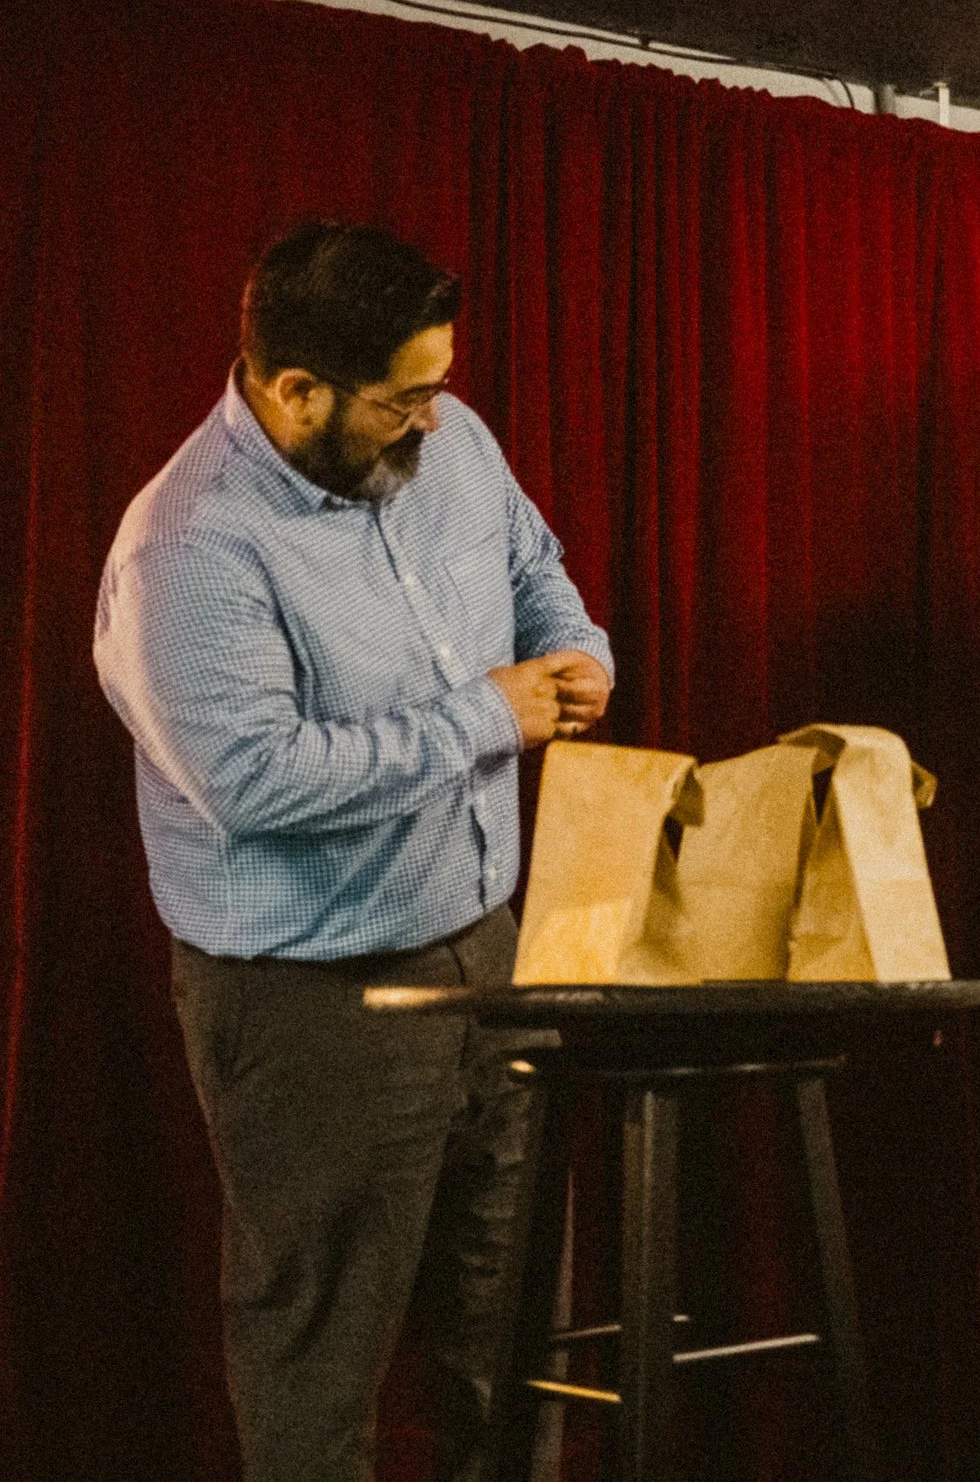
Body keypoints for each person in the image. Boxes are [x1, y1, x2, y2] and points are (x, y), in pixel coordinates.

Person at [93, 222, 615, 1482]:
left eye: (440, 384)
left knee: (507, 1322)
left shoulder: (454, 436)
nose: (435, 417)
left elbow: (531, 564)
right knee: (321, 1353)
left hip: (492, 953)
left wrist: (576, 647)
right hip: (314, 1002)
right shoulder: (188, 547)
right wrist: (489, 716)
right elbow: (255, 779)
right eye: (404, 398)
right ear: (296, 390)